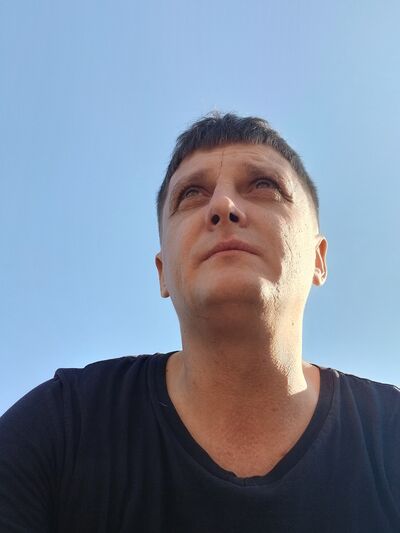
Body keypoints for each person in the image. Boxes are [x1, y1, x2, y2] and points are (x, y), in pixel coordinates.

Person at [0, 112, 399, 532]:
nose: (223, 206)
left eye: (264, 185)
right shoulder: (64, 426)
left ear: (318, 259)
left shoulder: (389, 436)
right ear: (162, 273)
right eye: (191, 194)